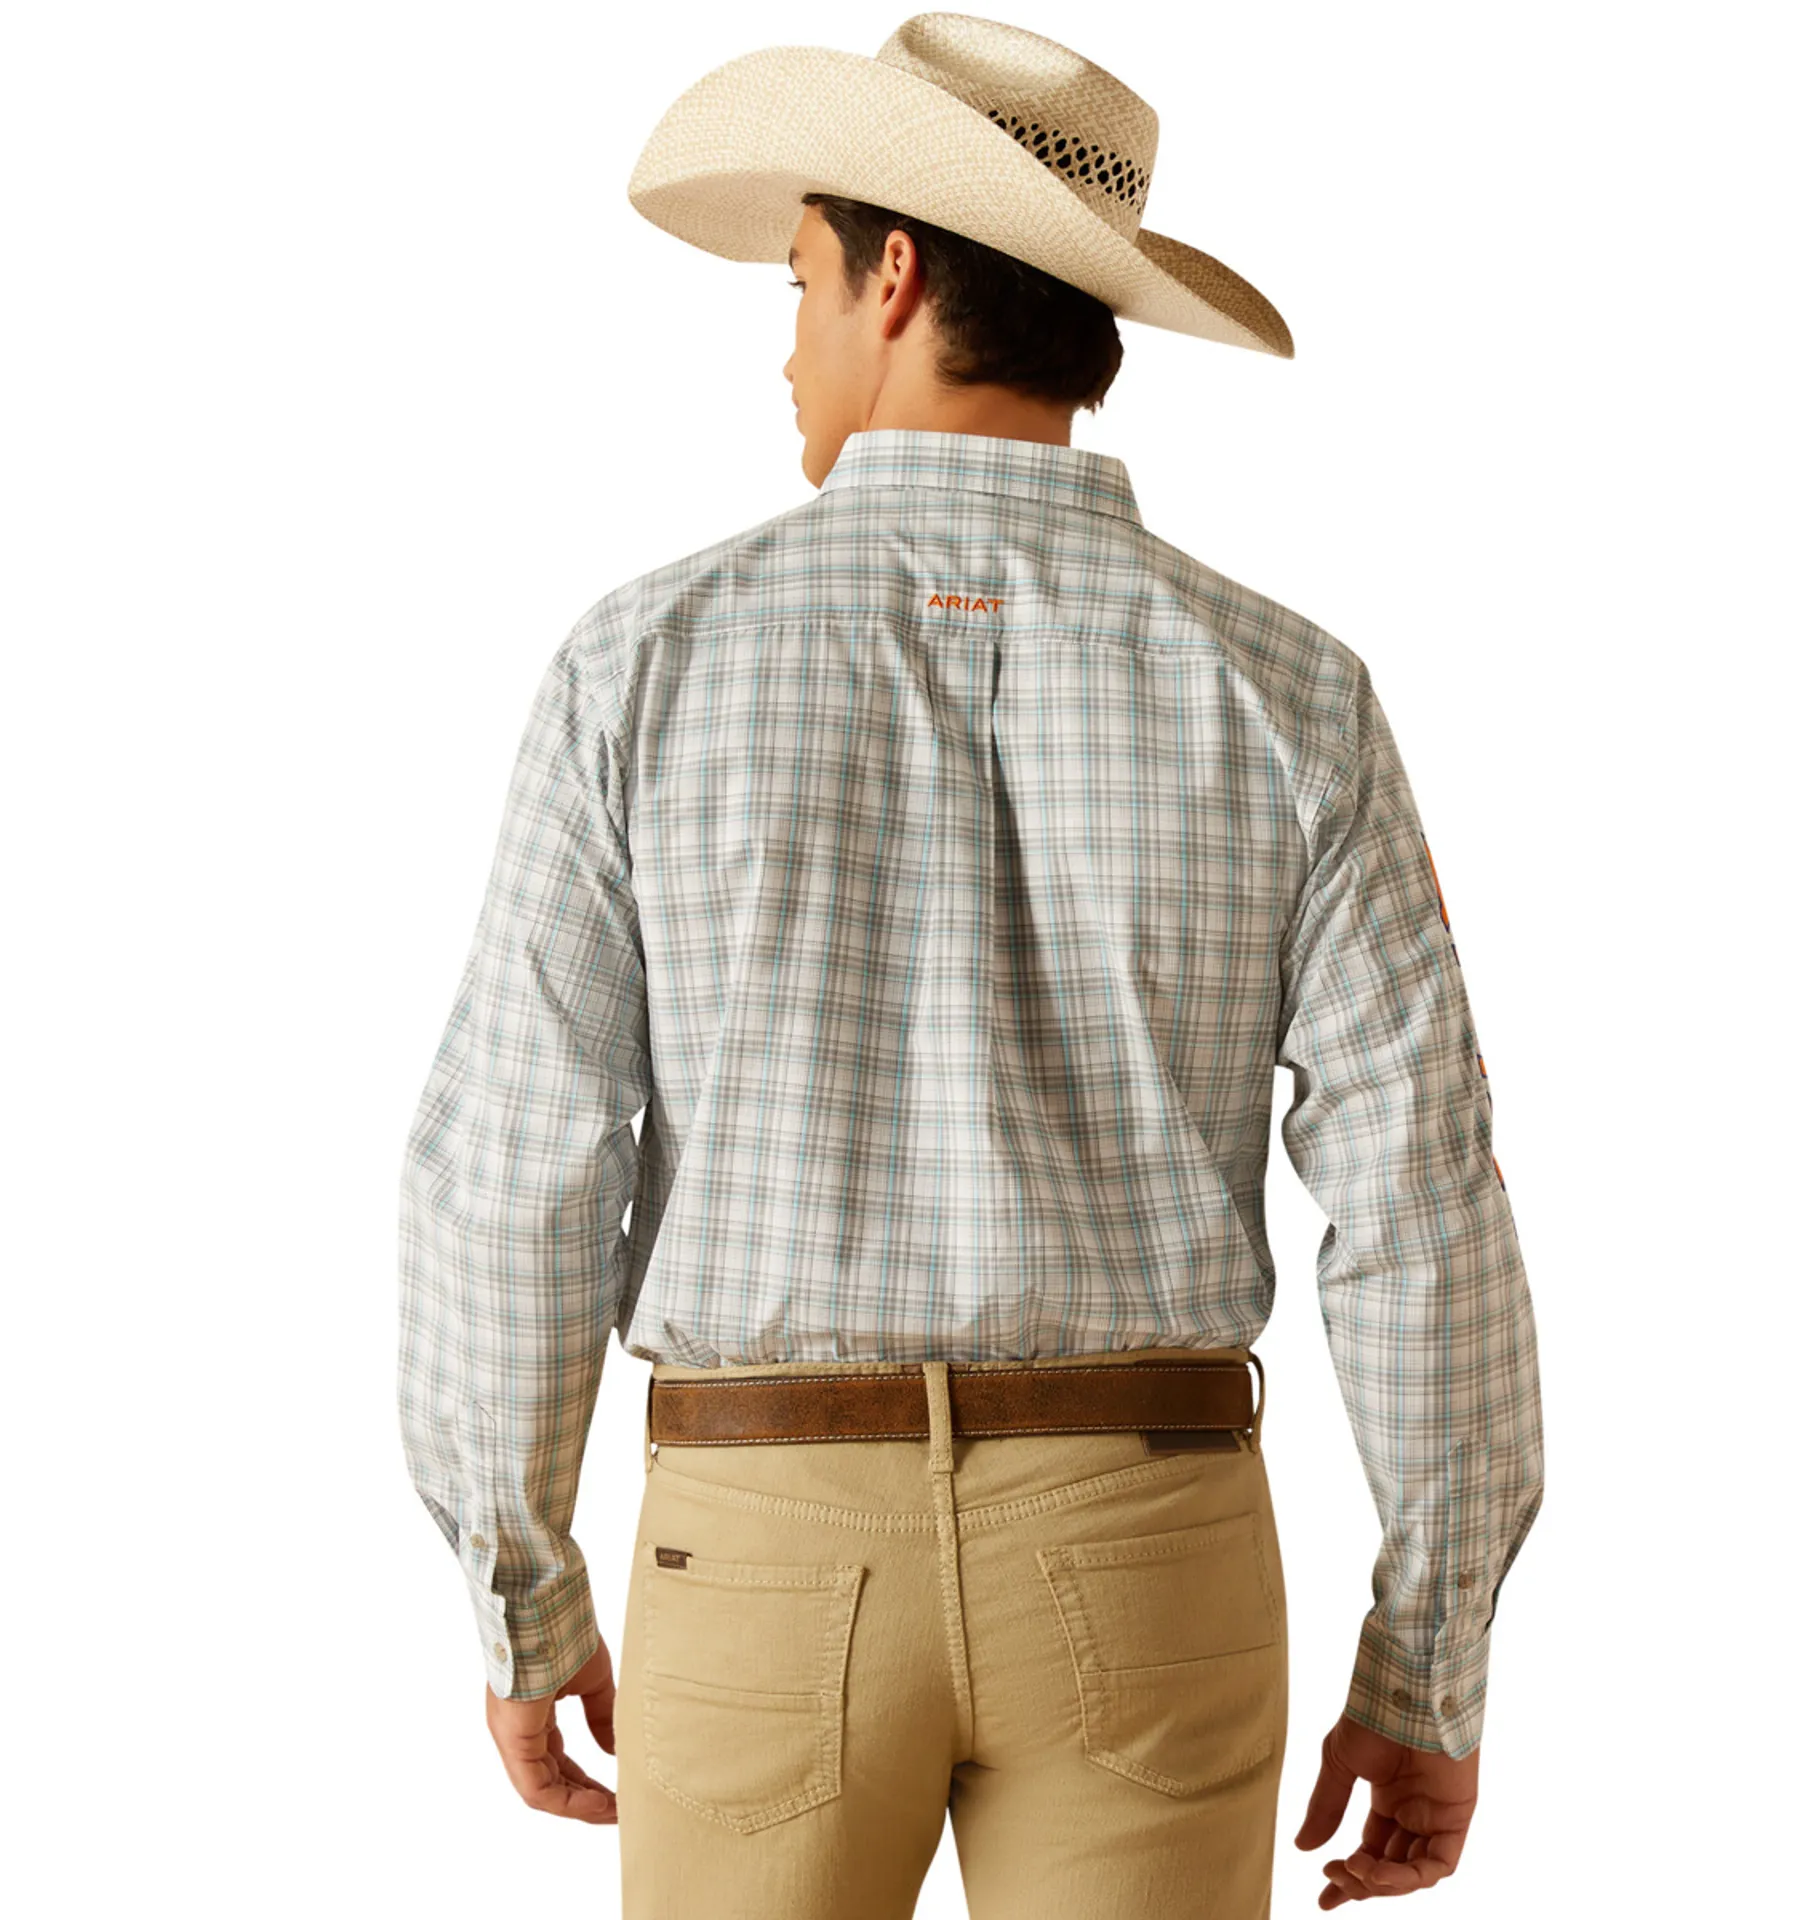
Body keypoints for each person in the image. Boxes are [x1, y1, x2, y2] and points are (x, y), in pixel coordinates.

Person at [396, 14, 1545, 1917]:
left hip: (760, 1549)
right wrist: (1428, 1659)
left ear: (896, 276)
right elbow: (1422, 1200)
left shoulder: (644, 666)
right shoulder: (1290, 694)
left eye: (798, 281)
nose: (784, 344)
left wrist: (523, 1590)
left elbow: (515, 1169)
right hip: (1151, 1547)